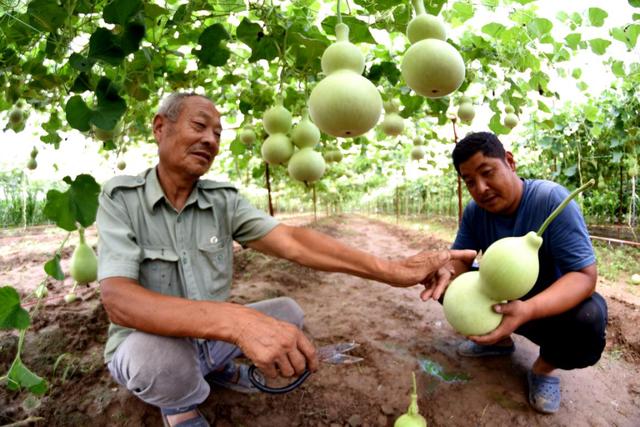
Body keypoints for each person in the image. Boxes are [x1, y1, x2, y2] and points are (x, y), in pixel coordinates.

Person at [96, 92, 476, 427]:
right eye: (200, 126)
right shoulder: (121, 198)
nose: (210, 140)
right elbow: (120, 302)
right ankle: (181, 407)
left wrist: (392, 270)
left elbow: (294, 242)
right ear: (160, 127)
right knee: (159, 359)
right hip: (149, 345)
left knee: (287, 311)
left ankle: (213, 367)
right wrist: (239, 323)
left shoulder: (221, 200)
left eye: (218, 134)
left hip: (207, 337)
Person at [421, 131, 607, 414]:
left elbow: (584, 276)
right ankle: (499, 342)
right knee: (446, 285)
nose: (480, 188)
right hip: (498, 296)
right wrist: (441, 271)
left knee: (589, 318)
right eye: (470, 182)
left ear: (509, 161)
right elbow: (462, 259)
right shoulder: (475, 211)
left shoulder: (551, 200)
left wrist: (528, 309)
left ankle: (543, 369)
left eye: (487, 173)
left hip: (547, 308)